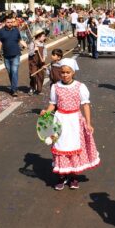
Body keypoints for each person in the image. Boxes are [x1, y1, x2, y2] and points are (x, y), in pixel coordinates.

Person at [40, 58, 100, 191]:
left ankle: (73, 176)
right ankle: (61, 176)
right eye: (62, 72)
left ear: (73, 72)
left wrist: (88, 123)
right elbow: (52, 104)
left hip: (75, 120)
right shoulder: (55, 87)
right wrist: (46, 112)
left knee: (74, 147)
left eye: (68, 72)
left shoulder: (80, 86)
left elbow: (85, 105)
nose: (65, 75)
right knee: (60, 147)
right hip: (60, 120)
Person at [0, 16, 26, 97]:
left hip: (16, 54)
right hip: (6, 55)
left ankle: (14, 89)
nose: (10, 24)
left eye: (11, 22)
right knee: (10, 72)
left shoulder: (16, 30)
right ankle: (13, 86)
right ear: (5, 22)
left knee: (14, 71)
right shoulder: (1, 31)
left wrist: (25, 44)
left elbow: (19, 39)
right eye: (8, 22)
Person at [28, 28, 47, 95]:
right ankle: (32, 88)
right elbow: (30, 53)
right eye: (43, 36)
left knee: (41, 75)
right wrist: (34, 50)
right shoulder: (32, 43)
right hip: (33, 62)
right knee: (33, 75)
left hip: (41, 62)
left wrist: (44, 58)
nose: (44, 37)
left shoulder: (43, 44)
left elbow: (45, 52)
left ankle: (39, 89)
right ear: (39, 36)